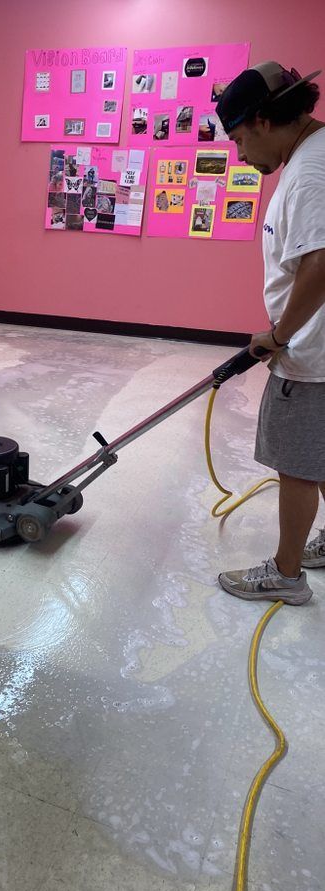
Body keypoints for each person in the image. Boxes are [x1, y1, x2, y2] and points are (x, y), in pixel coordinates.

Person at [215, 61, 325, 604]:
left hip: (312, 355)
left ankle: (286, 576)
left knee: (298, 466)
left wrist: (279, 337)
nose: (239, 154)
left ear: (261, 120)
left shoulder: (308, 174)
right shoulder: (317, 153)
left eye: (238, 139)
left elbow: (321, 265)